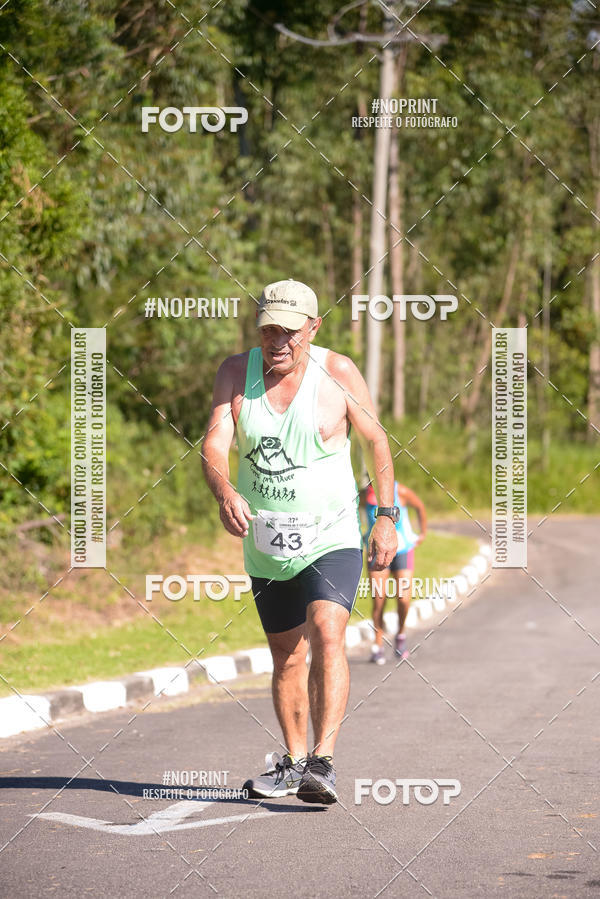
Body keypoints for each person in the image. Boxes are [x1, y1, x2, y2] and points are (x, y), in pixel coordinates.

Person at [202, 279, 399, 804]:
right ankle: (291, 762)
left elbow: (377, 439)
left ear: (313, 327)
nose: (279, 341)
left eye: (290, 330)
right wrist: (224, 492)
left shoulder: (337, 373)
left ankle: (323, 762)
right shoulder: (233, 374)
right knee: (287, 656)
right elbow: (215, 443)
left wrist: (385, 516)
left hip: (330, 535)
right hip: (266, 541)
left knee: (328, 630)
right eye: (269, 329)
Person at [363, 482, 427, 664]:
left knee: (404, 599)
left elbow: (420, 506)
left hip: (403, 549)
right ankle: (378, 645)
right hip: (376, 552)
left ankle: (400, 635)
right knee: (378, 599)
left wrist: (422, 533)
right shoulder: (362, 496)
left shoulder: (401, 491)